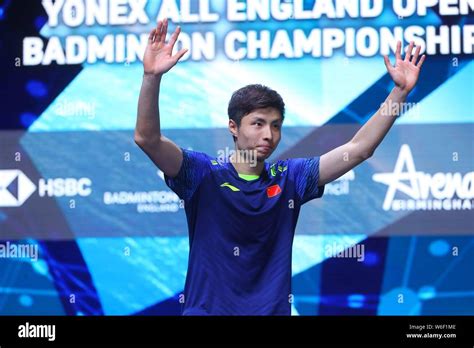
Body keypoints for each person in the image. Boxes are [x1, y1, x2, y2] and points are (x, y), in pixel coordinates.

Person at [135, 18, 425, 315]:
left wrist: (399, 93)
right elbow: (147, 138)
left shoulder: (291, 178)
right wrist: (151, 76)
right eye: (257, 124)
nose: (268, 134)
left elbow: (359, 149)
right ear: (233, 127)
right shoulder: (202, 174)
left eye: (275, 125)